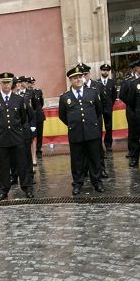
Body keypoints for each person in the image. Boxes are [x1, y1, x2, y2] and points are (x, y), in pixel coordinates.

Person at [60, 63, 104, 195]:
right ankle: (78, 183)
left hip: (92, 132)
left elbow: (98, 111)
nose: (78, 79)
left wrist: (92, 125)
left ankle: (97, 182)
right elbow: (62, 116)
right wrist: (74, 124)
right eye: (75, 77)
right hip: (76, 133)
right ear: (70, 80)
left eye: (80, 76)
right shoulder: (65, 97)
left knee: (94, 158)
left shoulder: (92, 93)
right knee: (77, 160)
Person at [0, 72, 34, 200]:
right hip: (2, 138)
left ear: (11, 83)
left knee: (22, 163)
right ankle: (4, 190)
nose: (6, 85)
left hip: (17, 137)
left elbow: (23, 118)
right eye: (4, 82)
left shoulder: (19, 100)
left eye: (8, 82)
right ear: (0, 83)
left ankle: (27, 187)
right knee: (4, 165)